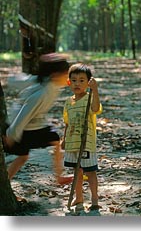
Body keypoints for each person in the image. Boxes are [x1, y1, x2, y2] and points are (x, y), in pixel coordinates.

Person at [2, 53, 73, 186]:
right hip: (20, 128)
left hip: (32, 125)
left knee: (26, 155)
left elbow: (22, 80)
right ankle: (5, 183)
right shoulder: (42, 93)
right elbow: (24, 114)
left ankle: (59, 177)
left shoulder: (47, 83)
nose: (68, 78)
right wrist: (11, 135)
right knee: (26, 154)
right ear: (55, 75)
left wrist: (11, 81)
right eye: (66, 74)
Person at [61, 63, 102, 210]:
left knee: (90, 171)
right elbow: (67, 123)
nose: (77, 83)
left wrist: (95, 90)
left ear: (88, 82)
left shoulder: (89, 97)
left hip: (86, 143)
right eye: (74, 80)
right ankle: (78, 198)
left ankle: (95, 199)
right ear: (69, 82)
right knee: (76, 172)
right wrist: (64, 138)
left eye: (82, 80)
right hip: (73, 143)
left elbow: (96, 109)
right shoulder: (68, 102)